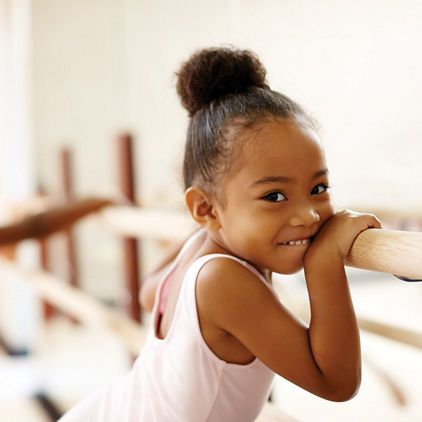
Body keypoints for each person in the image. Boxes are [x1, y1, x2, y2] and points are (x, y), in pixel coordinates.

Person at [59, 47, 381, 422]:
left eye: (319, 188)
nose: (308, 214)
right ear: (206, 209)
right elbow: (336, 383)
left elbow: (150, 293)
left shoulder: (198, 246)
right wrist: (325, 261)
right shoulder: (221, 281)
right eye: (274, 196)